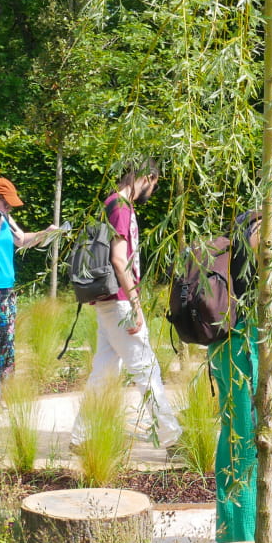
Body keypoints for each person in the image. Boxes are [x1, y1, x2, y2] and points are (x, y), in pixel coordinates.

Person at [70, 161, 183, 453]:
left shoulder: (108, 203)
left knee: (103, 373)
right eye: (154, 185)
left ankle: (82, 437)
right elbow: (119, 259)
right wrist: (136, 304)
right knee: (146, 368)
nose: (152, 191)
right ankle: (171, 437)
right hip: (119, 301)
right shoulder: (121, 207)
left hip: (106, 301)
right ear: (147, 178)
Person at [211, 206, 272, 543]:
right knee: (267, 447)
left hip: (228, 350)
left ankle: (232, 542)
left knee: (234, 446)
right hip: (254, 353)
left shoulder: (240, 229)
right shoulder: (267, 234)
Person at [0, 177, 51, 395]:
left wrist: (46, 233)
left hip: (7, 288)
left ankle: (6, 395)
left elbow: (21, 240)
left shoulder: (6, 218)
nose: (9, 207)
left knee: (7, 345)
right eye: (6, 203)